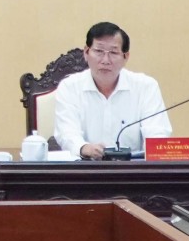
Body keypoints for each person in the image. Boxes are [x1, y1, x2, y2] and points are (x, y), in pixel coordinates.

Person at [54, 22, 171, 160]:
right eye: (99, 51)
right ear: (86, 52)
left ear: (125, 57)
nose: (105, 60)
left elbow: (157, 133)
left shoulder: (146, 87)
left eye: (114, 53)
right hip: (86, 168)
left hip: (132, 169)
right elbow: (66, 132)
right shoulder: (69, 87)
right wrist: (84, 148)